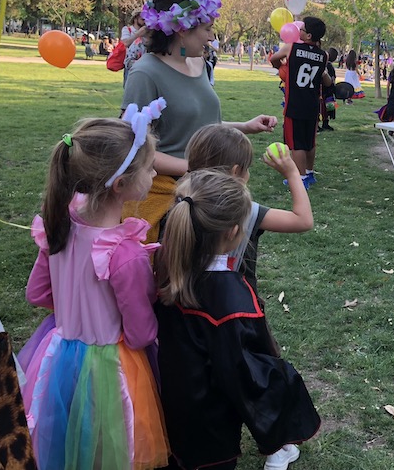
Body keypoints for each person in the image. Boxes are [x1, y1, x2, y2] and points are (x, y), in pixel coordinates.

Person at [19, 115, 169, 470]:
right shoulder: (124, 252)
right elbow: (140, 332)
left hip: (56, 356)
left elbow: (37, 293)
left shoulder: (59, 223)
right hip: (111, 368)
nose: (154, 174)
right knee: (106, 448)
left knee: (63, 437)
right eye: (149, 167)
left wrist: (75, 306)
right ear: (121, 185)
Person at [154, 169, 320, 470]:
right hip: (210, 426)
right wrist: (284, 384)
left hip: (167, 401)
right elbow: (246, 374)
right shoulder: (232, 299)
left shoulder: (167, 270)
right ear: (232, 232)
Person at [122, 0, 278, 243]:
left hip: (206, 189)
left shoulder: (200, 64)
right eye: (207, 28)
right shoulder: (145, 73)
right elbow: (133, 147)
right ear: (183, 29)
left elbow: (198, 125)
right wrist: (196, 167)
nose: (211, 37)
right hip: (168, 200)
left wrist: (245, 126)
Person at [185, 124, 313, 294]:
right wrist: (292, 174)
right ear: (235, 172)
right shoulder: (244, 212)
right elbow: (303, 221)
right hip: (234, 304)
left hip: (183, 304)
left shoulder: (183, 203)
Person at [270, 16, 333, 190]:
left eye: (302, 29)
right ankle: (310, 173)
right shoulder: (324, 55)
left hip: (295, 104)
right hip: (312, 104)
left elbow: (274, 58)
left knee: (296, 143)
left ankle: (301, 178)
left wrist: (280, 67)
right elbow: (326, 80)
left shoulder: (291, 48)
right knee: (309, 142)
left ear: (309, 35)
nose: (299, 31)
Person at [121, 8, 148, 85]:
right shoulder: (127, 29)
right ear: (136, 18)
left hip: (144, 63)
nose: (145, 22)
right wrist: (138, 34)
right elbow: (125, 43)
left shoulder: (147, 31)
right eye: (142, 19)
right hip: (130, 63)